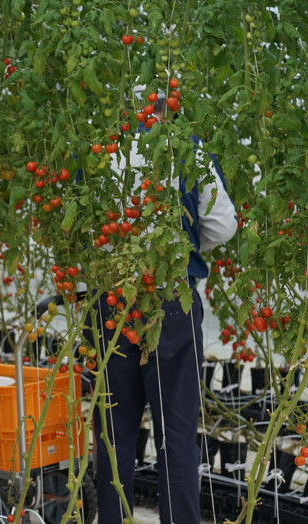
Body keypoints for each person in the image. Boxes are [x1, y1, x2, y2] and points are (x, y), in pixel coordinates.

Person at [85, 93, 237, 524]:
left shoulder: (99, 150)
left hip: (110, 300)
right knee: (177, 435)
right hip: (172, 297)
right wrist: (182, 248)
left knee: (113, 434)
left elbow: (81, 229)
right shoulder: (189, 150)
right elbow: (223, 224)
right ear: (167, 103)